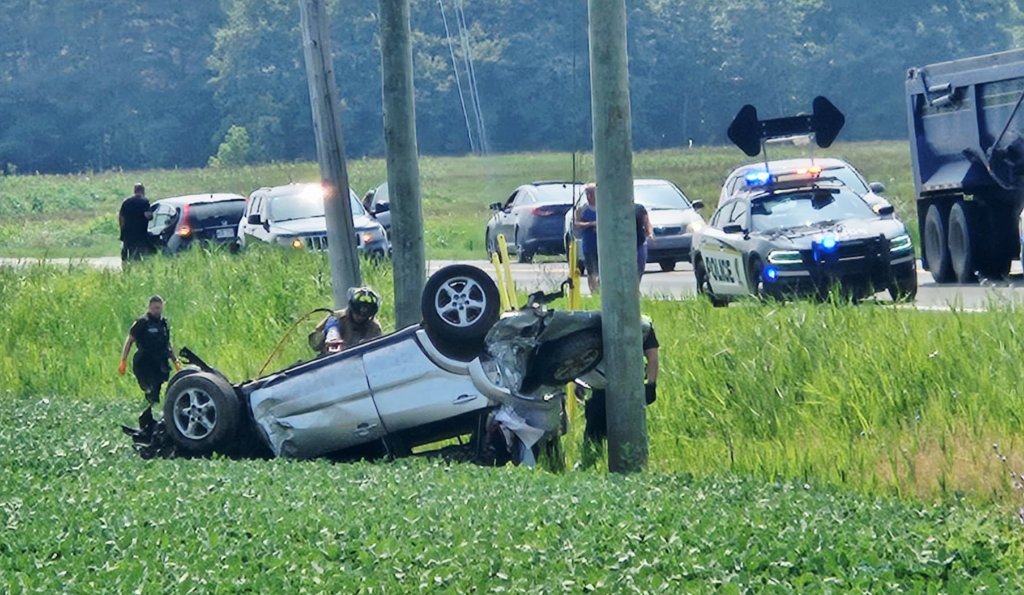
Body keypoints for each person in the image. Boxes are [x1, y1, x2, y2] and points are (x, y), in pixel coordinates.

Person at [581, 319, 660, 465]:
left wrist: (581, 381)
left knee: (594, 435)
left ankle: (589, 465)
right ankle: (630, 466)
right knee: (628, 434)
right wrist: (651, 385)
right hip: (631, 389)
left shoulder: (600, 322)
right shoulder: (643, 325)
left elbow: (583, 356)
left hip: (601, 385)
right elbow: (652, 357)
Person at [119, 295, 180, 404]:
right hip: (144, 361)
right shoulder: (142, 322)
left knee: (157, 387)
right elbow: (129, 340)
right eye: (155, 308)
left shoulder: (164, 323)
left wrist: (175, 361)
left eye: (159, 308)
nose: (157, 311)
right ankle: (148, 404)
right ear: (150, 308)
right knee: (149, 386)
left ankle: (152, 406)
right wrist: (123, 360)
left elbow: (167, 344)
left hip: (160, 361)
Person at [308, 287, 384, 355]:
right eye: (357, 313)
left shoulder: (374, 327)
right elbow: (314, 344)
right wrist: (326, 334)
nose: (360, 318)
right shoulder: (336, 318)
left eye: (365, 316)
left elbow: (379, 351)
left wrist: (367, 345)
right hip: (331, 362)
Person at [118, 183, 154, 261]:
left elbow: (121, 218)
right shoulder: (144, 202)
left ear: (134, 191)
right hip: (140, 233)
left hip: (127, 233)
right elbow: (148, 215)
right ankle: (137, 267)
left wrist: (122, 230)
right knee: (139, 253)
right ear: (143, 191)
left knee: (127, 252)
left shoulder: (126, 202)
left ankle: (126, 268)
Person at [574, 183, 600, 293]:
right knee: (591, 271)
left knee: (602, 271)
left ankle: (601, 290)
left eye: (591, 194)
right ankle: (593, 292)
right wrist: (590, 224)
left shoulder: (603, 208)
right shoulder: (582, 209)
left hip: (602, 245)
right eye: (587, 194)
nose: (589, 196)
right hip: (589, 244)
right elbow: (576, 224)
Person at [635, 202, 654, 280]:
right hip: (624, 244)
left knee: (640, 267)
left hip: (640, 241)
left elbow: (647, 222)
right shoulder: (618, 209)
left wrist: (650, 233)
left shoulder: (639, 208)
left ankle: (636, 287)